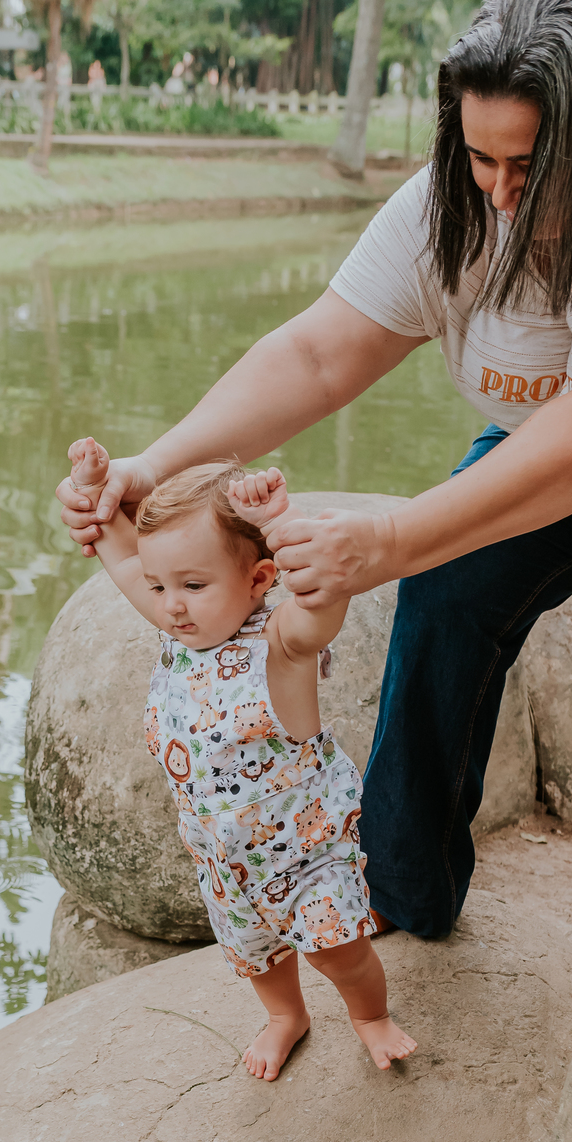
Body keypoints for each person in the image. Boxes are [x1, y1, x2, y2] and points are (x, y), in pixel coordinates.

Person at [56, 0, 572, 996]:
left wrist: (388, 536)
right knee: (443, 602)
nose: (497, 195)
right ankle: (404, 891)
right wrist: (155, 467)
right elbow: (322, 351)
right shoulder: (455, 202)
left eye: (528, 167)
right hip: (544, 449)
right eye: (477, 159)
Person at [66, 437, 418, 1077]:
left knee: (340, 951)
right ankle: (287, 1016)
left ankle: (371, 1017)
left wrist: (279, 526)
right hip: (224, 857)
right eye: (159, 585)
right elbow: (120, 559)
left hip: (306, 856)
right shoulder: (185, 626)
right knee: (254, 951)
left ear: (257, 578)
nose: (169, 604)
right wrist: (94, 492)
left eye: (193, 584)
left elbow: (321, 609)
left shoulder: (280, 643)